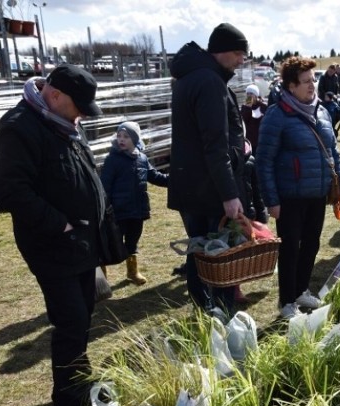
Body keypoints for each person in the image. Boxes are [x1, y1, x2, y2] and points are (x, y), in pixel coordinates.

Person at [0, 64, 104, 406]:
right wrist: (62, 222)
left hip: (82, 238)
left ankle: (79, 378)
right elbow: (12, 191)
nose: (82, 116)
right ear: (54, 94)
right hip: (51, 242)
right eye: (78, 106)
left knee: (84, 313)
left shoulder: (63, 121)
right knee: (71, 319)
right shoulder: (18, 127)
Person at [256, 56, 340, 319]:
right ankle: (287, 301)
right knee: (289, 249)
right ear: (290, 86)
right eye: (306, 81)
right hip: (289, 196)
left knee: (311, 244)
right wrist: (271, 200)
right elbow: (264, 161)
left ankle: (300, 291)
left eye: (314, 79)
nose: (313, 85)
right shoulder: (277, 115)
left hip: (317, 193)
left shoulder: (321, 111)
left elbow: (334, 152)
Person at [168, 23, 250, 318]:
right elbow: (214, 145)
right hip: (210, 188)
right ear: (222, 52)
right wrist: (229, 194)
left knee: (198, 252)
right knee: (220, 254)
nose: (242, 61)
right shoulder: (210, 82)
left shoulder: (190, 78)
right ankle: (220, 314)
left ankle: (204, 310)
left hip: (192, 184)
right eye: (239, 53)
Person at [100, 121, 168, 285]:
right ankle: (101, 278)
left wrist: (174, 180)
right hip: (117, 212)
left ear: (135, 139)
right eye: (119, 136)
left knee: (132, 241)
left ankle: (132, 271)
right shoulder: (112, 160)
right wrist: (106, 209)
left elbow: (155, 176)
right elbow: (104, 186)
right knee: (111, 243)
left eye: (126, 136)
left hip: (136, 211)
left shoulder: (142, 158)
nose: (121, 140)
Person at [240, 83, 267, 156]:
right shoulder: (245, 107)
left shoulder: (263, 106)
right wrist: (247, 107)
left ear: (256, 95)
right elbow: (243, 121)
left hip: (260, 139)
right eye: (247, 94)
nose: (249, 96)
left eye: (251, 93)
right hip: (250, 139)